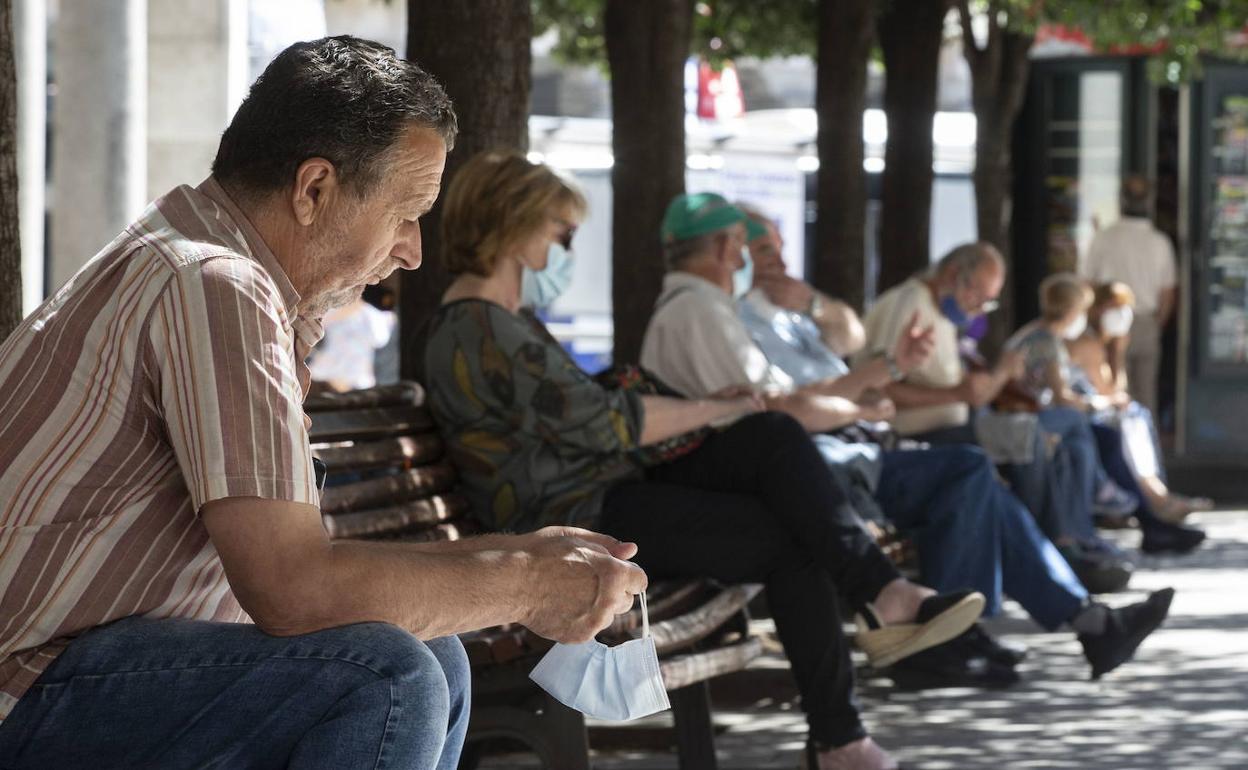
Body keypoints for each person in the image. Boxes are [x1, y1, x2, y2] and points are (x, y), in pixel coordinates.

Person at [0, 37, 649, 769]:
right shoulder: (216, 286)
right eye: (406, 213)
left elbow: (302, 576)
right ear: (314, 190)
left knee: (432, 654)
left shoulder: (196, 258)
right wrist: (527, 585)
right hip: (25, 689)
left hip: (80, 672)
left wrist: (523, 557)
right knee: (383, 676)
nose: (412, 251)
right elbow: (293, 589)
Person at [422, 152, 985, 770]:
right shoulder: (477, 327)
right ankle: (847, 714)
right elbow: (605, 422)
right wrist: (708, 410)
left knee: (771, 435)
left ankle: (873, 629)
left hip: (611, 486)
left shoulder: (502, 320)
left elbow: (592, 417)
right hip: (578, 513)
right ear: (514, 223)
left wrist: (714, 408)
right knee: (788, 523)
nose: (566, 246)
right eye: (562, 231)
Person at [642, 196, 1175, 685]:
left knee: (980, 475)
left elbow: (838, 353)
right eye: (757, 249)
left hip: (844, 447)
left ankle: (1058, 622)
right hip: (818, 462)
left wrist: (837, 328)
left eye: (777, 249)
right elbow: (784, 408)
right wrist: (871, 396)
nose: (769, 261)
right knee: (975, 468)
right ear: (724, 249)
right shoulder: (716, 314)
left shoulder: (780, 313)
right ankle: (970, 636)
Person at [855, 244, 1134, 584]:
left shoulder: (937, 310)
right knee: (1031, 434)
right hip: (917, 434)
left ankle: (1069, 541)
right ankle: (1057, 547)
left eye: (989, 301)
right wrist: (961, 391)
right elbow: (877, 387)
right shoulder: (909, 304)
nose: (981, 309)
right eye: (981, 298)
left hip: (957, 423)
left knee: (1059, 441)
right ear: (955, 276)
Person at [1006, 274, 1205, 555]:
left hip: (1041, 418)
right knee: (1102, 437)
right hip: (1033, 420)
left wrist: (1117, 355)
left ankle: (1133, 516)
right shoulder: (1048, 340)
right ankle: (1127, 506)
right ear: (1075, 309)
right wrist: (1096, 404)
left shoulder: (1042, 335)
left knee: (1103, 436)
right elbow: (1063, 397)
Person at [1069, 282, 1214, 522]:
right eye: (1114, 307)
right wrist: (1117, 355)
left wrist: (1118, 351)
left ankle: (1157, 494)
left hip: (1098, 409)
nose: (1121, 314)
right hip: (1088, 412)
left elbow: (1117, 388)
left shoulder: (1105, 343)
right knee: (1131, 420)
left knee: (1137, 415)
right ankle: (1155, 498)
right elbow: (1108, 391)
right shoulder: (1088, 344)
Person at [1082, 175, 1178, 414]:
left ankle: (1119, 447)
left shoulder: (1103, 238)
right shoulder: (1160, 243)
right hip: (1145, 322)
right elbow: (1168, 294)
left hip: (1108, 322)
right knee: (1145, 395)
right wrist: (1156, 323)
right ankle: (1144, 447)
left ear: (1121, 201)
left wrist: (1094, 320)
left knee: (1111, 391)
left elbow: (1087, 285)